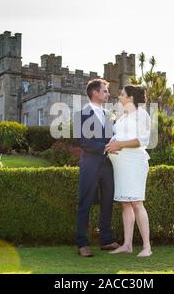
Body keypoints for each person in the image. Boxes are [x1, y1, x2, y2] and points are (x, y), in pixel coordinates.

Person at [105, 85, 152, 257]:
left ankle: (147, 247)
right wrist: (111, 145)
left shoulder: (142, 115)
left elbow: (142, 140)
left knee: (137, 202)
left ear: (131, 98)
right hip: (121, 165)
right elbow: (118, 137)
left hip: (135, 163)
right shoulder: (123, 116)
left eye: (122, 94)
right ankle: (127, 245)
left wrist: (118, 145)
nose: (119, 96)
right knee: (125, 203)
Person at [76, 79, 120, 257]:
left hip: (108, 165)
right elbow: (83, 141)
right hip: (90, 165)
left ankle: (106, 240)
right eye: (105, 91)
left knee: (108, 202)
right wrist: (105, 147)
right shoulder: (82, 114)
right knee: (85, 203)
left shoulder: (110, 114)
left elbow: (114, 136)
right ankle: (82, 244)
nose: (108, 94)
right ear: (94, 93)